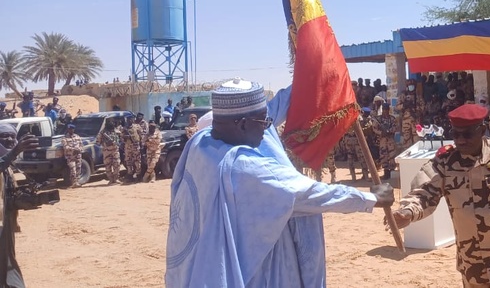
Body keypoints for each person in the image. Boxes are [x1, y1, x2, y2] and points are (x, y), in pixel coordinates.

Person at [165, 78, 395, 287]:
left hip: (199, 265)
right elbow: (311, 194)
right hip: (256, 269)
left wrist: (316, 73)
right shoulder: (246, 168)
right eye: (263, 122)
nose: (269, 126)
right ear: (243, 124)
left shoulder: (201, 142)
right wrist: (372, 198)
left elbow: (275, 107)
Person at [390, 104, 490, 288]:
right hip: (472, 259)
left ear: (482, 130)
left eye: (467, 135)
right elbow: (425, 191)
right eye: (456, 134)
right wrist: (409, 212)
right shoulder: (445, 160)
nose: (460, 140)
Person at [0, 124, 39, 287]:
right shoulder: (5, 161)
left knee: (7, 262)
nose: (10, 139)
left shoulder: (8, 166)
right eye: (4, 136)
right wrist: (15, 151)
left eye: (12, 136)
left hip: (5, 222)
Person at [376, 102, 398, 179]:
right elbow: (374, 128)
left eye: (386, 110)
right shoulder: (378, 119)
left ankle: (392, 170)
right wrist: (381, 132)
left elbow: (395, 127)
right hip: (382, 140)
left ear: (388, 110)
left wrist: (388, 131)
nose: (385, 111)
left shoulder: (392, 119)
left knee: (392, 155)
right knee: (383, 155)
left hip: (390, 140)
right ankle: (386, 172)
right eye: (384, 110)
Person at [98, 120, 122, 185]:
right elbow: (98, 141)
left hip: (115, 150)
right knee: (108, 166)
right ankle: (111, 179)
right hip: (106, 151)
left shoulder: (116, 131)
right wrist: (105, 143)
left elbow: (121, 138)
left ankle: (116, 179)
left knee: (117, 164)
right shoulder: (102, 132)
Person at [122, 117, 142, 183]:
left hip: (135, 146)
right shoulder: (124, 128)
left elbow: (141, 134)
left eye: (130, 119)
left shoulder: (137, 126)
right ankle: (130, 174)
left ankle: (138, 175)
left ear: (133, 120)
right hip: (127, 147)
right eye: (128, 120)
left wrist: (140, 143)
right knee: (128, 161)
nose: (129, 121)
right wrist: (125, 137)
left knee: (137, 160)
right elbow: (121, 138)